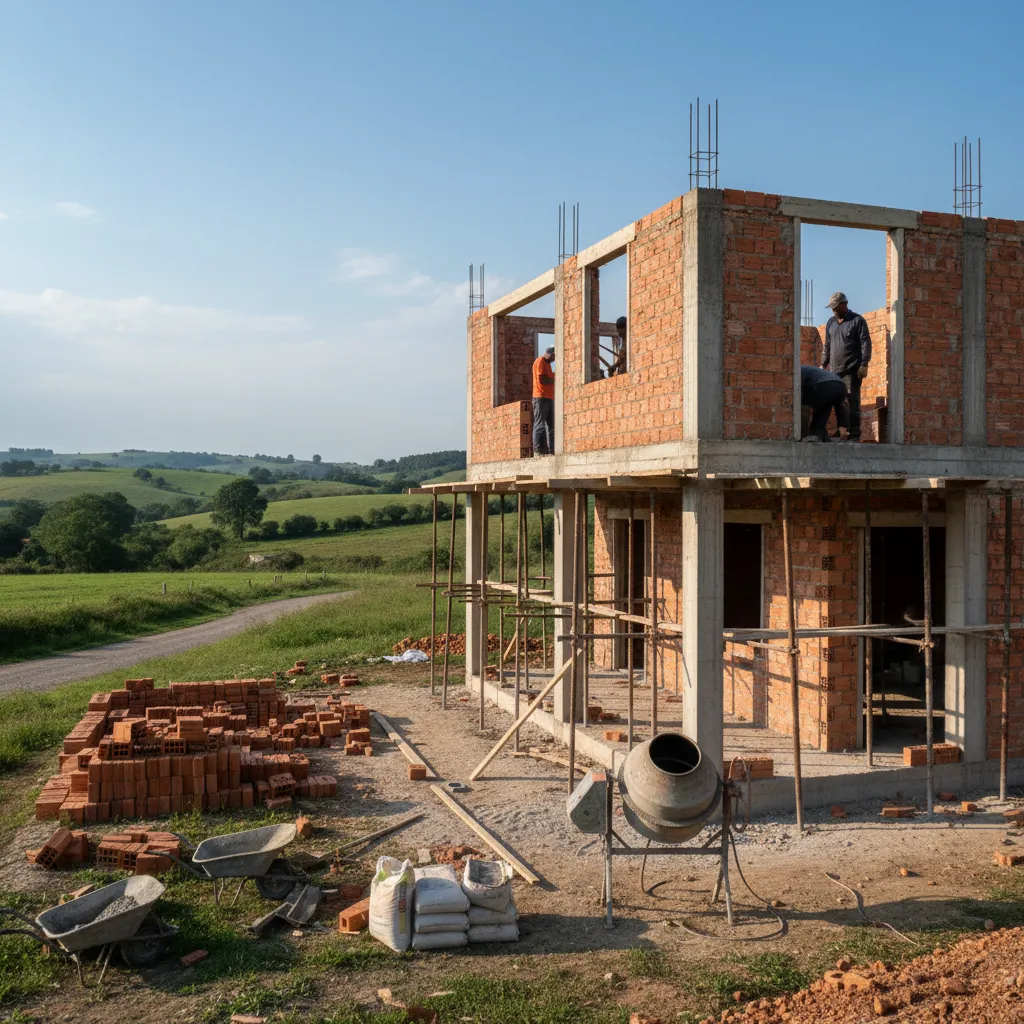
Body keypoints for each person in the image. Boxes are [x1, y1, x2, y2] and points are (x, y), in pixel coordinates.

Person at [822, 291, 872, 441]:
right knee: (837, 400)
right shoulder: (831, 322)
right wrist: (823, 363)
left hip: (852, 369)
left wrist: (864, 363)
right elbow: (827, 345)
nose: (833, 310)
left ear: (844, 305)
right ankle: (842, 430)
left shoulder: (857, 320)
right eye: (832, 308)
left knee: (851, 399)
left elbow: (865, 343)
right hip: (834, 371)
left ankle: (855, 433)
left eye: (836, 307)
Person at [800, 365, 850, 442]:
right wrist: (842, 424)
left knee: (804, 406)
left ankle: (804, 435)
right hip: (841, 386)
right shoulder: (808, 370)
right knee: (822, 412)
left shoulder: (795, 372)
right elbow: (841, 404)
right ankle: (823, 438)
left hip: (823, 385)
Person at [531, 345, 556, 455]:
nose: (555, 359)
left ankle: (552, 450)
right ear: (550, 353)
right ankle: (538, 451)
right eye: (554, 356)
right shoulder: (540, 361)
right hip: (540, 398)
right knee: (539, 425)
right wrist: (556, 379)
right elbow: (542, 379)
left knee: (552, 426)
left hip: (549, 398)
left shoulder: (548, 365)